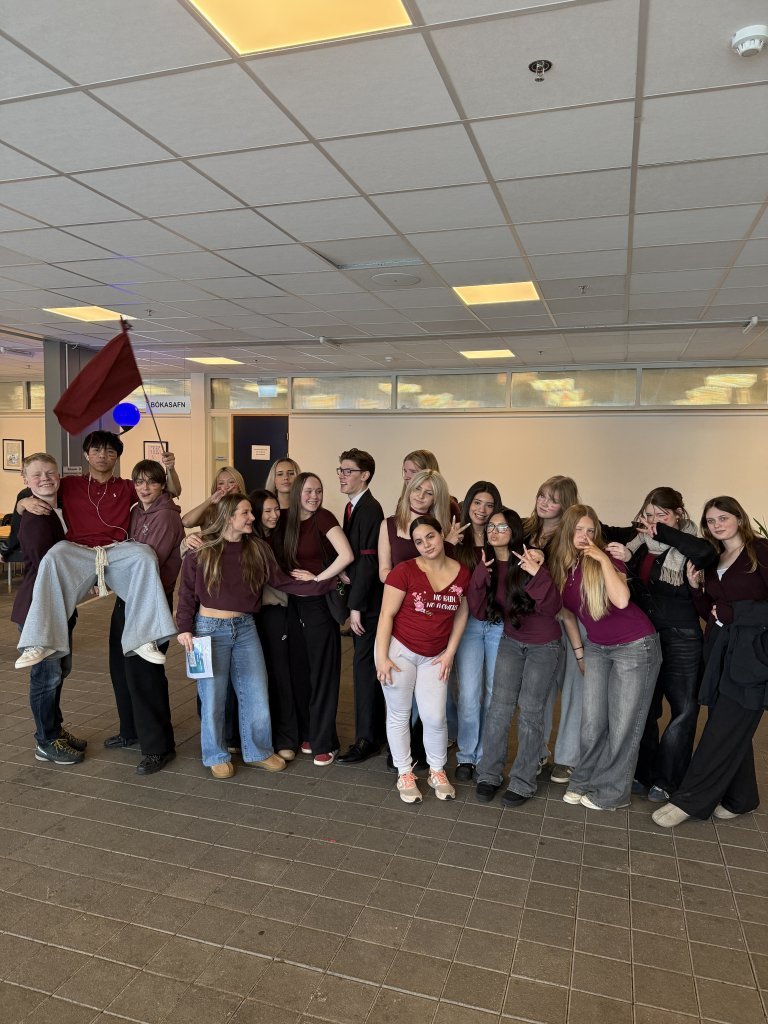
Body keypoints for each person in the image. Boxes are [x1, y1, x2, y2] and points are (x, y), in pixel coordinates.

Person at [176, 492, 326, 778]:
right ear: (228, 517)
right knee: (212, 696)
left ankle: (258, 751)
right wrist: (184, 628)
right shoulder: (201, 549)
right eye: (246, 513)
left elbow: (282, 582)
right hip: (208, 630)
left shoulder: (257, 549)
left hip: (245, 628)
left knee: (256, 690)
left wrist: (322, 581)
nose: (253, 518)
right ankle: (215, 754)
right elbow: (186, 593)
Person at [15, 430, 179, 668]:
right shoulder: (70, 484)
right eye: (96, 450)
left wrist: (170, 469)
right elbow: (40, 488)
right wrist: (22, 502)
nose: (103, 455)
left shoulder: (126, 486)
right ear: (86, 455)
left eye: (110, 451)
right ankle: (40, 641)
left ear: (117, 457)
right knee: (53, 555)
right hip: (78, 550)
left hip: (115, 550)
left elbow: (171, 491)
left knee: (145, 555)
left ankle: (144, 638)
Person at [652, 497, 768, 828]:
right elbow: (713, 613)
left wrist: (737, 611)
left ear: (739, 518)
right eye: (711, 521)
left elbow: (733, 611)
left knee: (721, 729)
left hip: (753, 655)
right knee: (728, 725)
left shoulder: (760, 551)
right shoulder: (716, 558)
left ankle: (689, 800)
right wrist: (696, 590)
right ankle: (741, 798)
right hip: (720, 652)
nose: (717, 525)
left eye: (723, 518)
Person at [604, 487, 715, 802]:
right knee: (647, 707)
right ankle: (644, 772)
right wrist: (629, 556)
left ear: (678, 513)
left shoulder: (691, 544)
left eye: (661, 515)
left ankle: (668, 779)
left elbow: (706, 555)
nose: (653, 522)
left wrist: (663, 531)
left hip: (682, 637)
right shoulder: (640, 543)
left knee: (683, 710)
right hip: (647, 636)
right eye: (648, 515)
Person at [549, 505, 661, 811]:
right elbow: (568, 616)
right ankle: (584, 779)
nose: (584, 536)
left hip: (635, 646)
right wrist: (580, 653)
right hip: (597, 648)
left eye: (590, 530)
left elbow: (621, 600)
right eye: (578, 529)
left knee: (623, 725)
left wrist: (601, 558)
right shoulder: (561, 566)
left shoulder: (608, 559)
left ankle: (613, 792)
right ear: (567, 531)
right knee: (592, 722)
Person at [375, 515, 470, 804]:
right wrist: (381, 658)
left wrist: (450, 653)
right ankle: (404, 772)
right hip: (400, 652)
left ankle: (437, 770)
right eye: (418, 541)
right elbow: (386, 615)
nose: (426, 544)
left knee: (435, 716)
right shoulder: (404, 571)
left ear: (442, 535)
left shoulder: (462, 573)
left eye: (430, 536)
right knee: (399, 714)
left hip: (435, 656)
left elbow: (462, 613)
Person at [472, 508, 563, 806]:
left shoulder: (529, 558)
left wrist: (538, 573)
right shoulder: (487, 563)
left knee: (531, 712)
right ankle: (489, 773)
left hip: (543, 645)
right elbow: (478, 611)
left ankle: (523, 781)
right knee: (498, 708)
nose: (494, 531)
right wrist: (478, 578)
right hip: (511, 642)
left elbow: (552, 607)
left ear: (513, 531)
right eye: (491, 526)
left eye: (502, 526)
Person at [106, 460, 185, 774]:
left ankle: (159, 747)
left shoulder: (166, 516)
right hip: (127, 598)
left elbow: (148, 563)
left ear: (162, 485)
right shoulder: (136, 511)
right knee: (120, 667)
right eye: (139, 482)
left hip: (151, 601)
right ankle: (131, 730)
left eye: (151, 481)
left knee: (144, 674)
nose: (145, 487)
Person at [377, 468, 455, 771]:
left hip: (434, 624)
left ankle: (424, 752)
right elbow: (384, 571)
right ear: (408, 488)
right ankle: (401, 755)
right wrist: (410, 587)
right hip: (400, 615)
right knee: (400, 698)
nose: (421, 496)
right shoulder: (389, 524)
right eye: (417, 489)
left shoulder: (441, 528)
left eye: (429, 492)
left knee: (430, 703)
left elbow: (449, 574)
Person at [11, 453, 85, 765]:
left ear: (59, 476)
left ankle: (54, 728)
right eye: (37, 474)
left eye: (50, 472)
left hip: (59, 605)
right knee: (46, 676)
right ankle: (46, 741)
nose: (45, 478)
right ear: (26, 481)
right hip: (39, 608)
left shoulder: (56, 508)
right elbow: (45, 568)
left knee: (57, 672)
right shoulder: (36, 516)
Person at [281, 472, 354, 765]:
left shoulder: (323, 518)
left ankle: (326, 741)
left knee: (323, 675)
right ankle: (309, 733)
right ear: (297, 492)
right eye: (309, 491)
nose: (314, 496)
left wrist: (317, 579)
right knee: (300, 673)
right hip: (293, 605)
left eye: (319, 491)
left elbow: (346, 555)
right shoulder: (286, 521)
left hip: (319, 606)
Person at [524, 476, 582, 785]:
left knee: (573, 689)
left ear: (566, 504)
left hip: (569, 619)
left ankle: (568, 758)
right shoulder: (526, 530)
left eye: (554, 499)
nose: (545, 503)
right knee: (539, 691)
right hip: (537, 622)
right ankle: (537, 752)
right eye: (542, 495)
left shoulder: (572, 536)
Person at [335, 449, 386, 766]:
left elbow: (369, 561)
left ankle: (367, 739)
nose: (342, 476)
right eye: (340, 470)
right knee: (366, 669)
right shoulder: (354, 506)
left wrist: (355, 607)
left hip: (368, 606)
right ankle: (375, 734)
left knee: (364, 671)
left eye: (348, 471)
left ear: (365, 475)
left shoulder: (369, 509)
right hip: (364, 600)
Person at [451, 481, 503, 781]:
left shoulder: (502, 537)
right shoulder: (458, 538)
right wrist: (448, 542)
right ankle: (467, 755)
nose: (483, 510)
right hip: (467, 623)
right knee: (470, 694)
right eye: (477, 503)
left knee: (495, 693)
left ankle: (487, 755)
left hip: (498, 623)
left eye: (489, 504)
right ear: (468, 503)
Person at [250, 488, 297, 760]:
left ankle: (285, 737)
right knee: (256, 678)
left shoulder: (281, 537)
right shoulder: (248, 539)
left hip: (276, 613)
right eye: (267, 510)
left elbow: (282, 579)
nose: (274, 515)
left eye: (276, 509)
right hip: (249, 616)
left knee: (280, 674)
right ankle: (259, 738)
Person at [181, 466, 246, 529]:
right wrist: (211, 500)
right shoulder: (209, 512)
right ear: (216, 488)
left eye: (231, 482)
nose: (226, 487)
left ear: (239, 487)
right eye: (221, 483)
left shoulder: (247, 509)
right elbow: (186, 522)